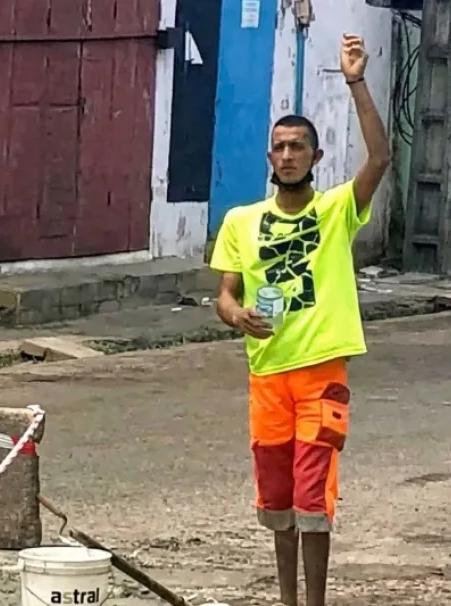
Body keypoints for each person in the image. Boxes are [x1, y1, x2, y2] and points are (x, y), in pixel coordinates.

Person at [209, 35, 390, 606]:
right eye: (279, 147)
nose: (287, 156)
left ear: (316, 158)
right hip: (267, 376)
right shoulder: (241, 220)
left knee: (315, 501)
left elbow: (380, 158)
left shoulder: (337, 210)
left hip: (321, 374)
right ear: (270, 158)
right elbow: (225, 293)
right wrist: (236, 315)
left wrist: (355, 82)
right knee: (277, 502)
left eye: (298, 147)